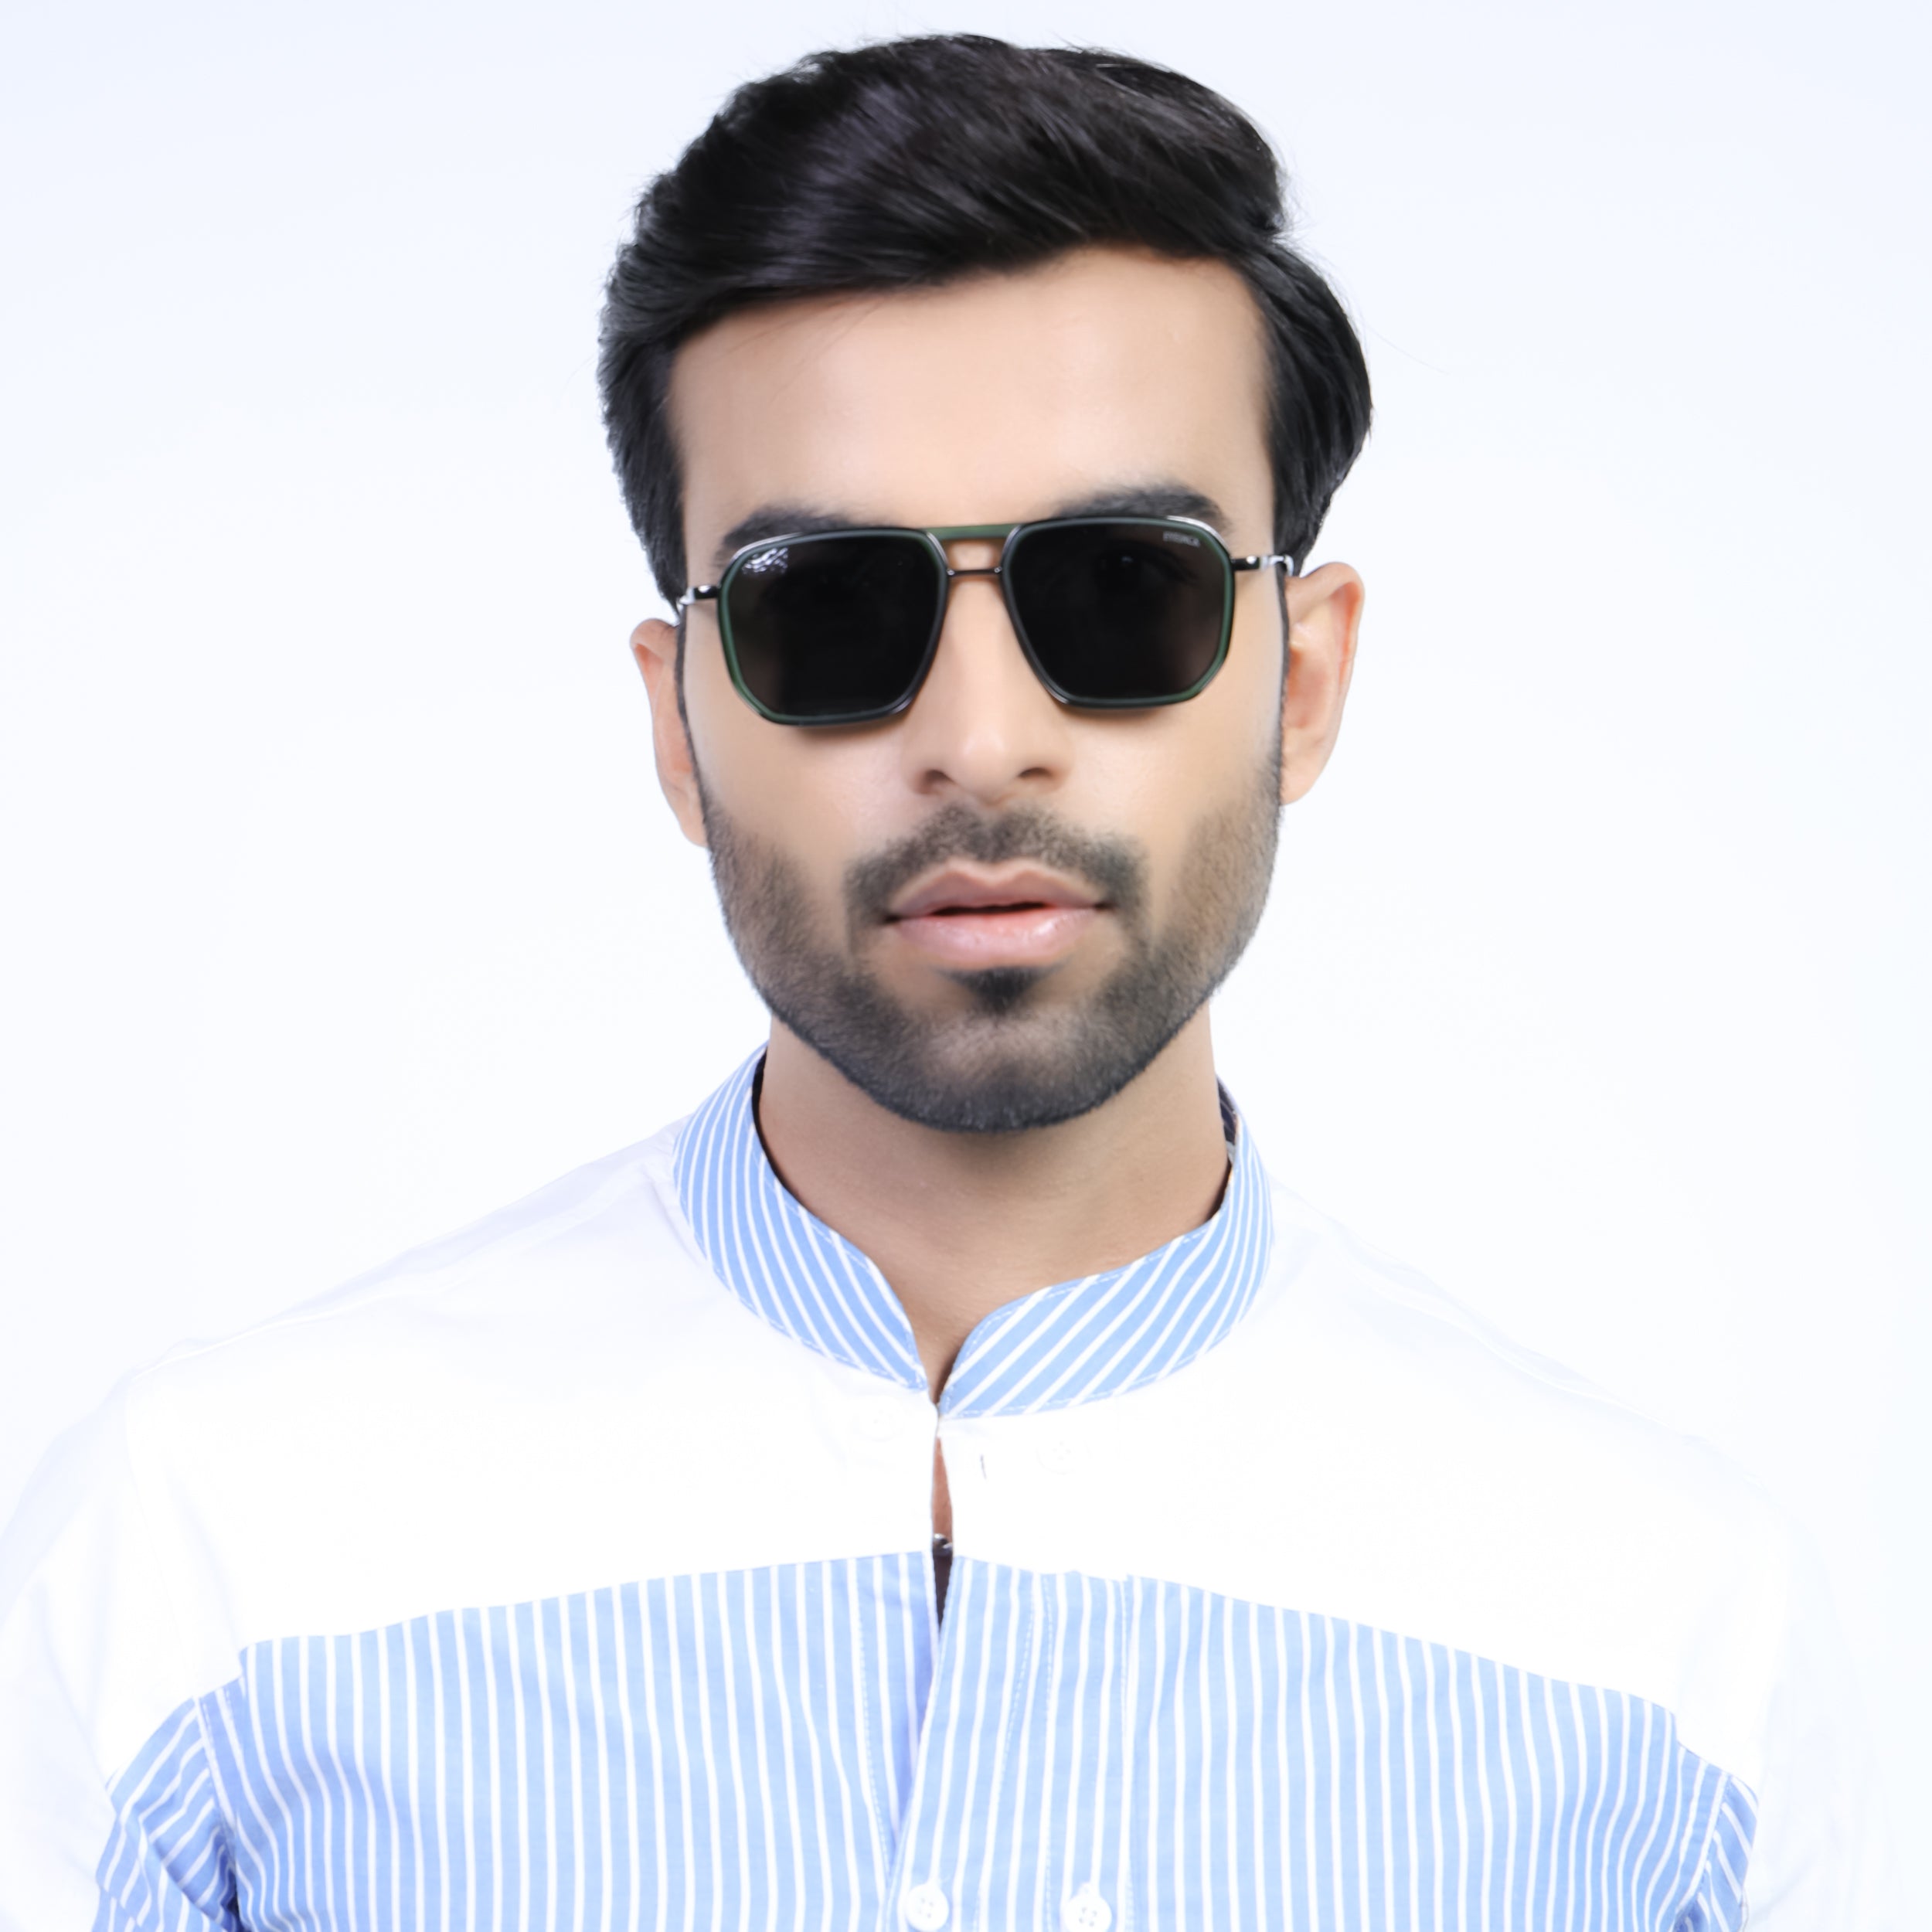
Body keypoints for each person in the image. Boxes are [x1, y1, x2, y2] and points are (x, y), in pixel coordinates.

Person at [0, 33, 1884, 1932]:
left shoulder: (1667, 1657)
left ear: (1301, 679)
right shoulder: (205, 1578)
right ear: (676, 723)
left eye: (1122, 588)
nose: (980, 742)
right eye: (827, 609)